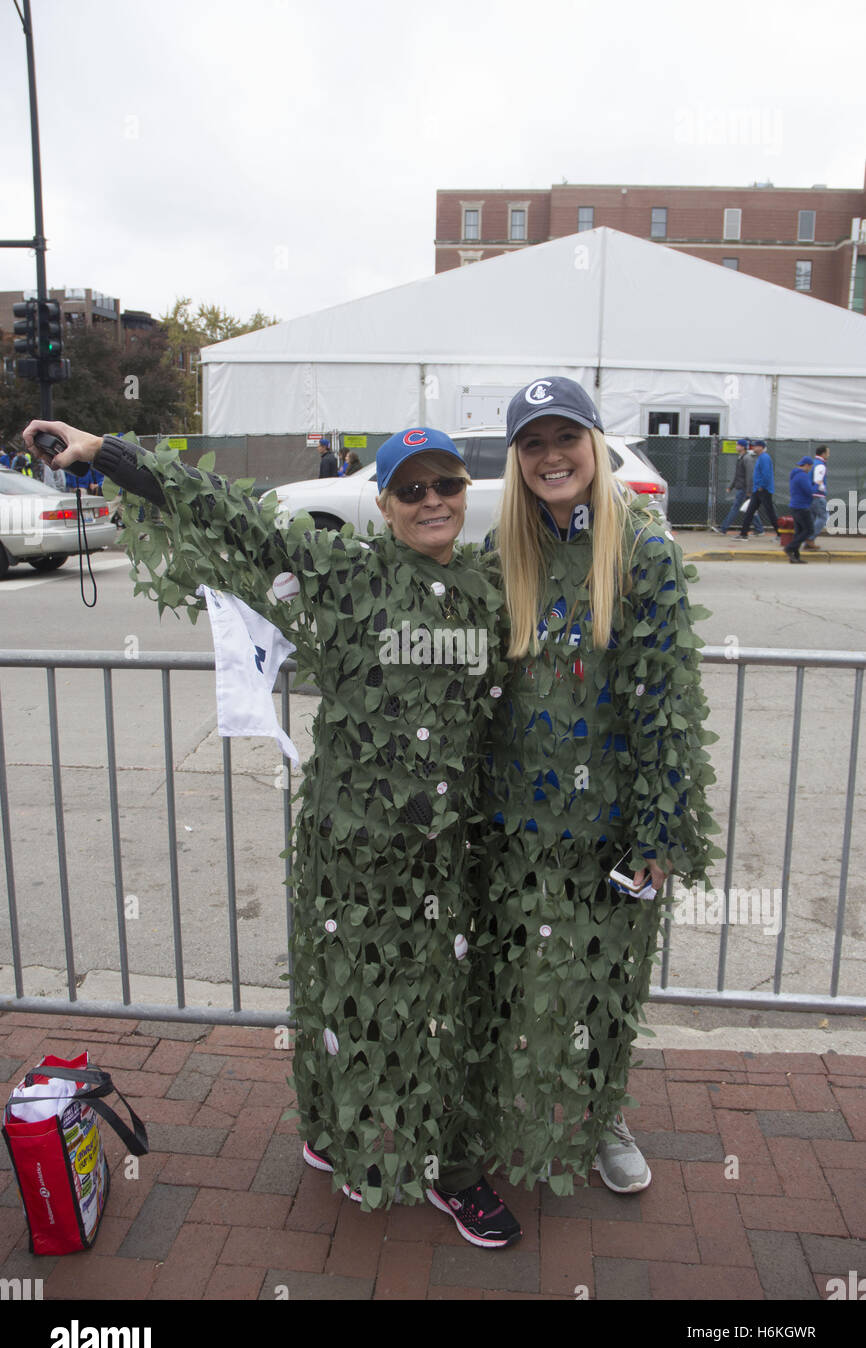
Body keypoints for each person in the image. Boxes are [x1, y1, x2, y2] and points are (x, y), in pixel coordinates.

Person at [23, 416, 521, 1250]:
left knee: (448, 1008)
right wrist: (103, 453)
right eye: (412, 489)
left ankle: (455, 1172)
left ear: (466, 494)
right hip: (353, 847)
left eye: (446, 485)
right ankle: (336, 1130)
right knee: (343, 994)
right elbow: (232, 514)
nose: (432, 500)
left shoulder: (491, 589)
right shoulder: (344, 572)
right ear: (386, 503)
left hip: (446, 854)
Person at [472, 377, 719, 1198]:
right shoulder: (500, 555)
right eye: (533, 443)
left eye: (565, 438)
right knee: (520, 981)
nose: (552, 457)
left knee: (607, 983)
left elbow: (669, 709)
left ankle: (605, 1112)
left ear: (595, 445)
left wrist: (657, 834)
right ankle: (519, 1108)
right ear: (518, 459)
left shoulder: (645, 551)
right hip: (518, 828)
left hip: (615, 828)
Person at [716, 440, 764, 536]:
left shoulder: (747, 459)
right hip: (743, 488)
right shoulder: (741, 458)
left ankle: (724, 528)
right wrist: (731, 486)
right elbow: (738, 475)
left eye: (738, 445)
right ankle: (759, 529)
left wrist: (749, 490)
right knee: (750, 509)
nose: (736, 446)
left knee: (736, 507)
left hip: (744, 489)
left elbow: (749, 475)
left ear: (742, 447)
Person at [737, 441, 778, 539]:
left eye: (755, 446)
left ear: (761, 447)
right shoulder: (761, 457)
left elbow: (766, 474)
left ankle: (780, 533)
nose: (753, 448)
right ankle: (743, 534)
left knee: (770, 512)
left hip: (763, 490)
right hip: (758, 490)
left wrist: (762, 486)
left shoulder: (764, 458)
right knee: (750, 511)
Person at [786, 456, 817, 564]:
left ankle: (795, 556)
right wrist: (817, 485)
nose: (810, 469)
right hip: (802, 506)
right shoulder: (803, 476)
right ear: (807, 465)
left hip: (795, 506)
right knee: (809, 530)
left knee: (799, 532)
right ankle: (789, 548)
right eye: (810, 467)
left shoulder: (795, 474)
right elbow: (809, 491)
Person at [806, 445, 829, 551]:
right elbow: (817, 480)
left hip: (810, 495)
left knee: (812, 518)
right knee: (823, 517)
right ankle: (810, 539)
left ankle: (809, 541)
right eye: (828, 452)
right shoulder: (821, 465)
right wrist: (822, 487)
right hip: (817, 495)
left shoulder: (813, 463)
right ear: (823, 454)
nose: (829, 454)